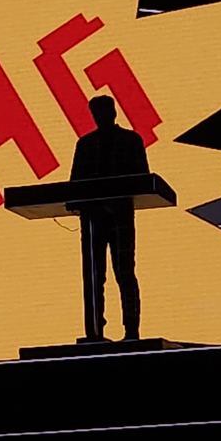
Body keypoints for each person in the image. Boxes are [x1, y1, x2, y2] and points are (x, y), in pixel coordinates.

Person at [70, 96, 149, 341]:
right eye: (96, 113)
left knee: (124, 272)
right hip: (93, 220)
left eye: (103, 111)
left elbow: (142, 179)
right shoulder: (85, 144)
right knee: (94, 276)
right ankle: (95, 332)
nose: (100, 117)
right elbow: (74, 186)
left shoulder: (131, 140)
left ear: (113, 113)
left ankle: (132, 331)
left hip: (120, 216)